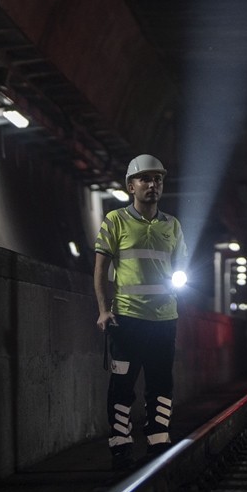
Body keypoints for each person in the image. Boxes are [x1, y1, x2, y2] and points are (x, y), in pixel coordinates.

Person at [94, 153, 188, 471]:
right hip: (126, 320)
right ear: (130, 186)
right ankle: (120, 444)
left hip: (164, 320)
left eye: (157, 179)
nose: (152, 184)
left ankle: (158, 438)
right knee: (122, 385)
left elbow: (181, 267)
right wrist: (103, 310)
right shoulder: (115, 221)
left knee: (161, 383)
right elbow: (100, 268)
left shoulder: (171, 225)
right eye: (145, 179)